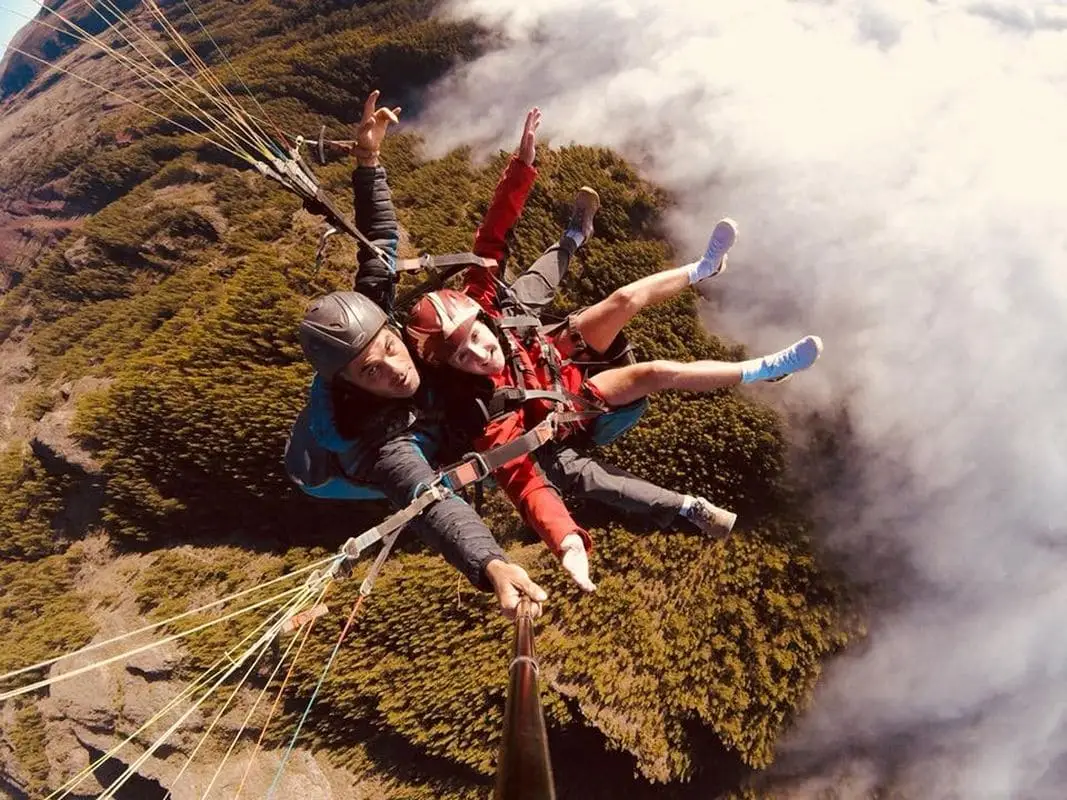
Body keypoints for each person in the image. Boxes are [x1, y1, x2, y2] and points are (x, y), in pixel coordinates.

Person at [405, 115, 819, 592]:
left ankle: (704, 268)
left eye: (477, 338)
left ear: (478, 317)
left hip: (550, 353)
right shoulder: (484, 415)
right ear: (451, 369)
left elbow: (492, 237)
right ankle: (765, 370)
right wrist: (567, 542)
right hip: (567, 406)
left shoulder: (480, 304)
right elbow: (526, 485)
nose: (480, 354)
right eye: (464, 358)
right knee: (656, 372)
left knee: (620, 300)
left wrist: (522, 165)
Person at [288, 91, 546, 619]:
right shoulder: (376, 442)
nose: (392, 367)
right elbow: (427, 499)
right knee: (422, 477)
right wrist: (491, 563)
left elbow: (378, 240)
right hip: (325, 474)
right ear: (354, 384)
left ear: (386, 326)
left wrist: (368, 161)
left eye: (387, 348)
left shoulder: (375, 317)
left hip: (379, 413)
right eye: (370, 372)